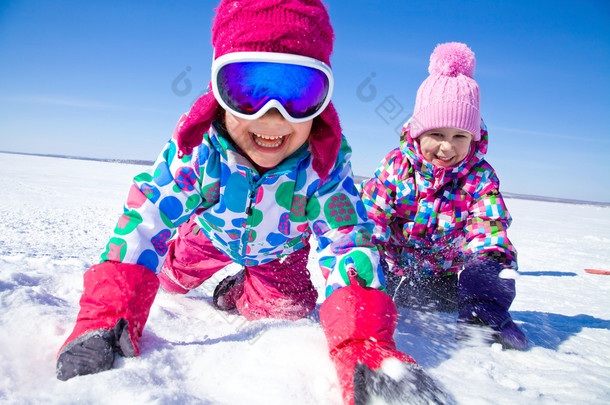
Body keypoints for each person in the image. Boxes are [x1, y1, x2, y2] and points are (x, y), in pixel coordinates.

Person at [56, 1, 448, 403]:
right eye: (247, 89)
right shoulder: (200, 153)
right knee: (166, 282)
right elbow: (146, 216)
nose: (273, 117)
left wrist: (364, 344)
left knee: (287, 309)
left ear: (323, 100)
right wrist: (106, 314)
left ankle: (241, 289)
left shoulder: (323, 167)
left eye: (299, 93)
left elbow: (348, 241)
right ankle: (186, 269)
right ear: (217, 90)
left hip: (278, 253)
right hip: (206, 236)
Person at [360, 42, 528, 350]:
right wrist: (364, 279)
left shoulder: (479, 179)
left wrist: (486, 301)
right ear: (418, 132)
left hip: (443, 280)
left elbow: (490, 235)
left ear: (473, 137)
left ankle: (481, 312)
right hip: (387, 274)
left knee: (437, 310)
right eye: (437, 134)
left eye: (459, 136)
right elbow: (369, 221)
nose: (447, 147)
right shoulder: (396, 168)